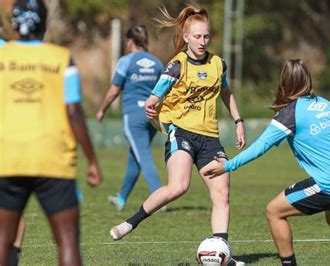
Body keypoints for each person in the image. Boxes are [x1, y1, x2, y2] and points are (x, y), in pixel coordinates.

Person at [203, 60, 330, 266]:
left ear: (284, 82)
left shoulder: (289, 115)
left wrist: (228, 166)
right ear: (307, 80)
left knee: (274, 211)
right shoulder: (327, 104)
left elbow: (260, 147)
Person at [110, 5, 246, 245]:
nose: (202, 41)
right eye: (197, 36)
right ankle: (131, 221)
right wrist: (151, 106)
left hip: (210, 138)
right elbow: (154, 97)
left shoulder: (218, 64)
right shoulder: (176, 65)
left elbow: (226, 93)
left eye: (206, 36)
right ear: (186, 37)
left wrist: (238, 121)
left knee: (222, 194)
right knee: (178, 187)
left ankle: (220, 250)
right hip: (181, 132)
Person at [0, 1, 102, 265]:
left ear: (13, 24)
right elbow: (73, 112)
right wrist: (92, 159)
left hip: (8, 157)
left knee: (2, 239)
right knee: (67, 241)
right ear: (45, 24)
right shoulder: (61, 58)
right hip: (53, 158)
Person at [96, 25, 164, 212]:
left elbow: (113, 90)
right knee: (136, 156)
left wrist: (102, 109)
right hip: (151, 115)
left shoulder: (126, 61)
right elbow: (164, 89)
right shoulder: (157, 63)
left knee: (143, 156)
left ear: (129, 41)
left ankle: (159, 199)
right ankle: (122, 198)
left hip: (133, 116)